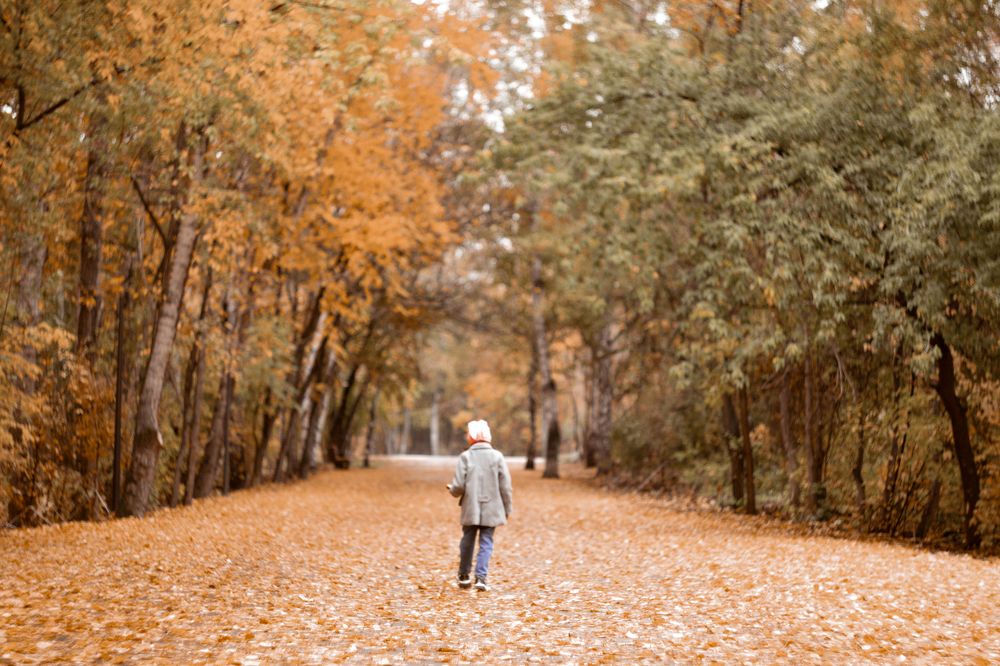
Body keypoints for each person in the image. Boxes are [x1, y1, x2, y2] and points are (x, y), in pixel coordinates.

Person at [447, 419, 513, 591]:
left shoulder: (466, 457)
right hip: (492, 507)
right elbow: (505, 486)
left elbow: (459, 486)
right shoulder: (497, 457)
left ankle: (463, 576)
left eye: (468, 433)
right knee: (486, 542)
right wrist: (507, 508)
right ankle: (481, 578)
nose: (467, 436)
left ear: (473, 436)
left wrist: (452, 490)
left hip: (471, 506)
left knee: (467, 540)